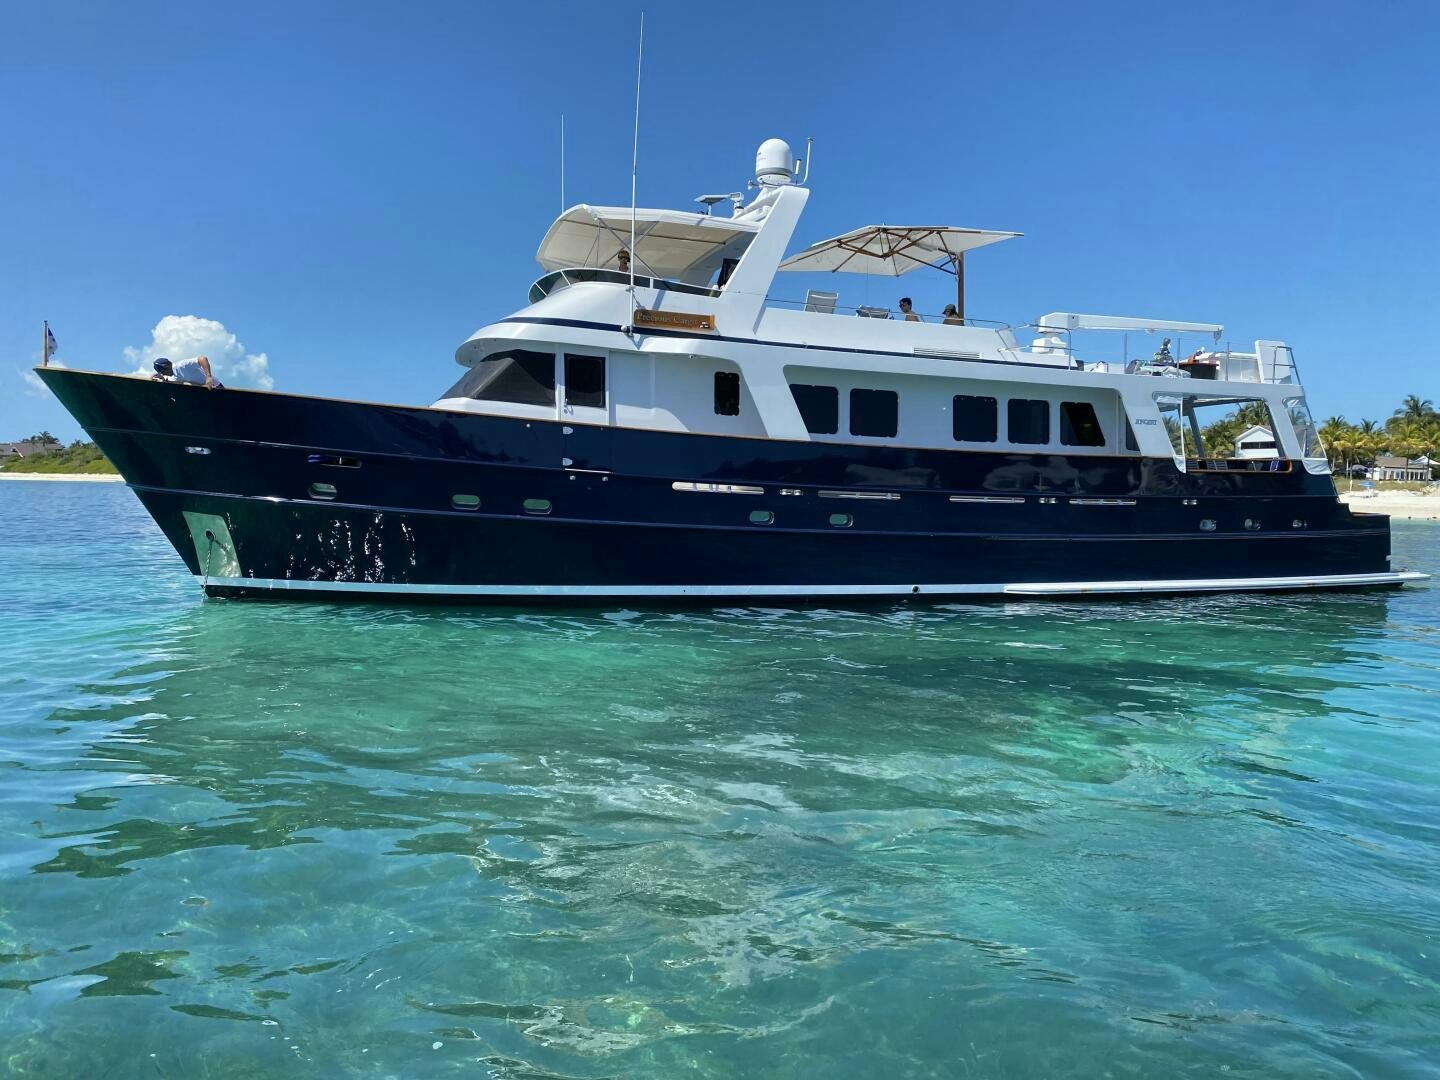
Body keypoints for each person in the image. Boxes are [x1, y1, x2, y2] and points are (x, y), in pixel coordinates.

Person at [152, 356, 221, 389]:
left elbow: (202, 359)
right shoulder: (173, 377)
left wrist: (208, 377)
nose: (163, 374)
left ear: (167, 366)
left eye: (163, 372)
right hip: (203, 391)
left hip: (216, 387)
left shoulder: (182, 365)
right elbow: (169, 380)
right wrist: (161, 379)